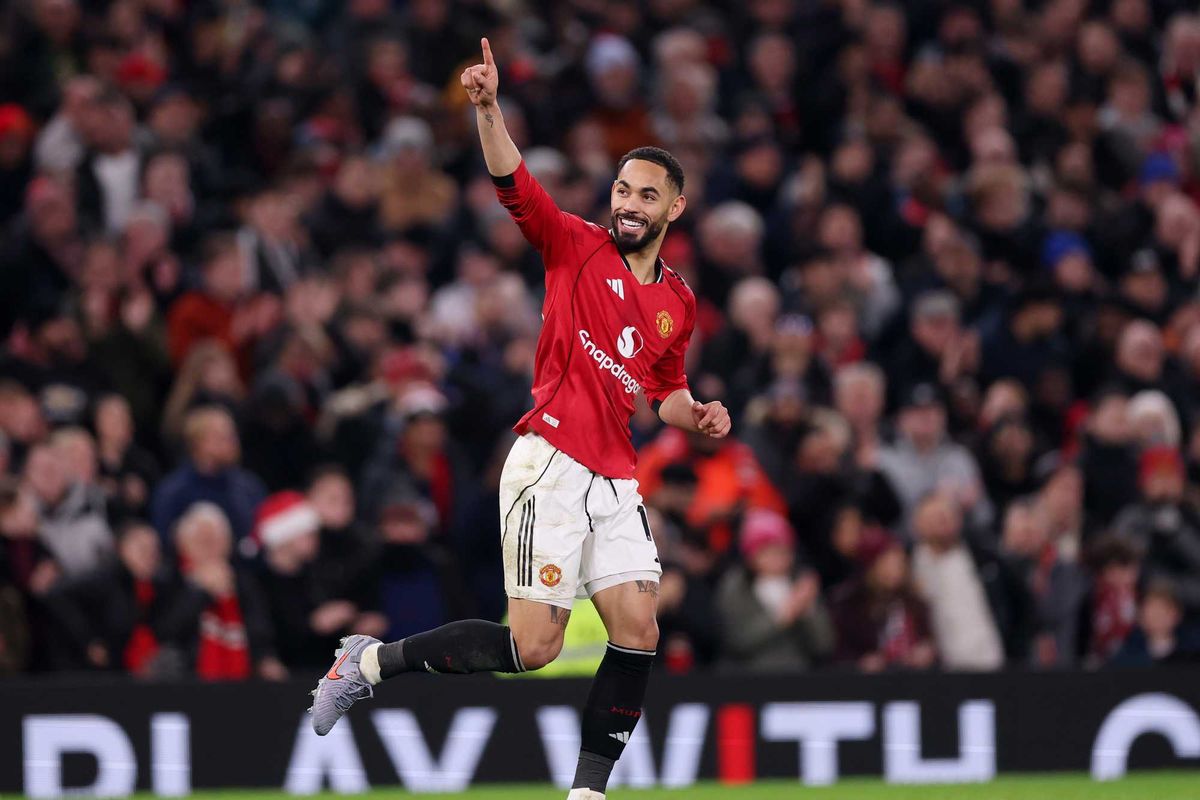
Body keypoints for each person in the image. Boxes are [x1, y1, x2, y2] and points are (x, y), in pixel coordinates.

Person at [309, 39, 730, 800]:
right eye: (622, 189)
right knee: (534, 648)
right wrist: (488, 108)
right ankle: (366, 663)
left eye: (645, 195)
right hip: (551, 463)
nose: (628, 204)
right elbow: (514, 181)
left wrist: (692, 412)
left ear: (674, 208)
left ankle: (587, 794)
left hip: (616, 477)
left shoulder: (679, 301)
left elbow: (662, 387)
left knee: (640, 629)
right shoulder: (575, 245)